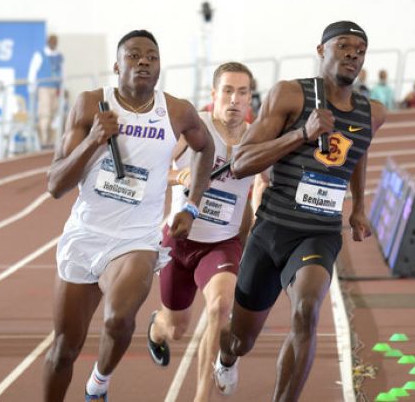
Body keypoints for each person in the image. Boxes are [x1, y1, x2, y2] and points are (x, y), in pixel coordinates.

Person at [213, 21, 386, 401]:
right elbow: (240, 163)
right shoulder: (290, 95)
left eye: (360, 49)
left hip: (320, 232)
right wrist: (301, 135)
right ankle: (227, 356)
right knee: (241, 340)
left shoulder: (372, 112)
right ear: (322, 50)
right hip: (272, 228)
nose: (353, 54)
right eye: (343, 46)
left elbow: (358, 152)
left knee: (308, 308)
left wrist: (359, 206)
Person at [42, 29, 214, 402]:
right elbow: (55, 185)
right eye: (134, 56)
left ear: (159, 66)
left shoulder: (177, 111)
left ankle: (98, 385)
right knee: (63, 352)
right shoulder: (91, 106)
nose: (143, 62)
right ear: (116, 65)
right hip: (86, 235)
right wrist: (92, 141)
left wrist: (191, 205)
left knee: (119, 319)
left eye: (151, 56)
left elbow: (206, 149)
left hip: (136, 238)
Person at [146, 62, 257, 402]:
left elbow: (256, 191)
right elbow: (154, 168)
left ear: (251, 98)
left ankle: (200, 396)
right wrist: (178, 177)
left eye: (242, 92)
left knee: (220, 307)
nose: (234, 100)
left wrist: (248, 233)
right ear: (214, 95)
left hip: (221, 244)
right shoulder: (197, 127)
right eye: (227, 91)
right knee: (176, 329)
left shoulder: (257, 139)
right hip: (179, 240)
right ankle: (158, 327)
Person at [28, 34, 64, 148]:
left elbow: (63, 72)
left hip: (56, 88)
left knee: (55, 116)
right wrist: (32, 87)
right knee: (45, 114)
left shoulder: (59, 56)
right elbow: (33, 71)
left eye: (55, 41)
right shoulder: (40, 55)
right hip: (44, 88)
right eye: (52, 41)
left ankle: (51, 141)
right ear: (48, 42)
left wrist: (63, 87)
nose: (53, 43)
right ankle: (43, 141)